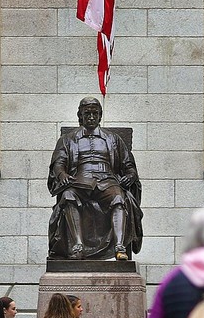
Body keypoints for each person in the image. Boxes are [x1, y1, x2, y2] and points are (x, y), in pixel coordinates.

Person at [47, 97, 143, 260]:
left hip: (107, 180)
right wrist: (62, 174)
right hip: (80, 181)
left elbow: (129, 165)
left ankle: (119, 247)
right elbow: (59, 163)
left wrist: (130, 176)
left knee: (119, 198)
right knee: (68, 195)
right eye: (87, 113)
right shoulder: (68, 139)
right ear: (80, 116)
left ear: (100, 116)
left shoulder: (113, 139)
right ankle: (77, 246)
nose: (91, 117)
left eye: (95, 113)